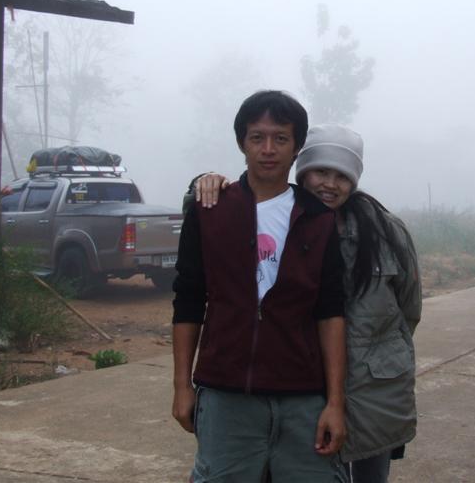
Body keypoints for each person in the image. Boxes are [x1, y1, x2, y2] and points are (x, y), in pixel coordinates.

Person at [195, 124, 421, 483]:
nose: (330, 184)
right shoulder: (283, 220)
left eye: (342, 176)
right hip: (302, 388)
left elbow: (409, 309)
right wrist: (202, 182)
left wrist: (373, 354)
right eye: (320, 172)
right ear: (302, 171)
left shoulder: (385, 231)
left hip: (372, 390)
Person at [172, 91, 348, 483]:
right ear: (242, 143)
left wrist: (335, 402)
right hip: (226, 393)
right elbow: (188, 300)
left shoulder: (318, 219)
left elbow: (330, 312)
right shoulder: (210, 211)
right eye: (257, 137)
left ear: (296, 147)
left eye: (280, 138)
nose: (268, 149)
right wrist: (182, 386)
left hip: (302, 396)